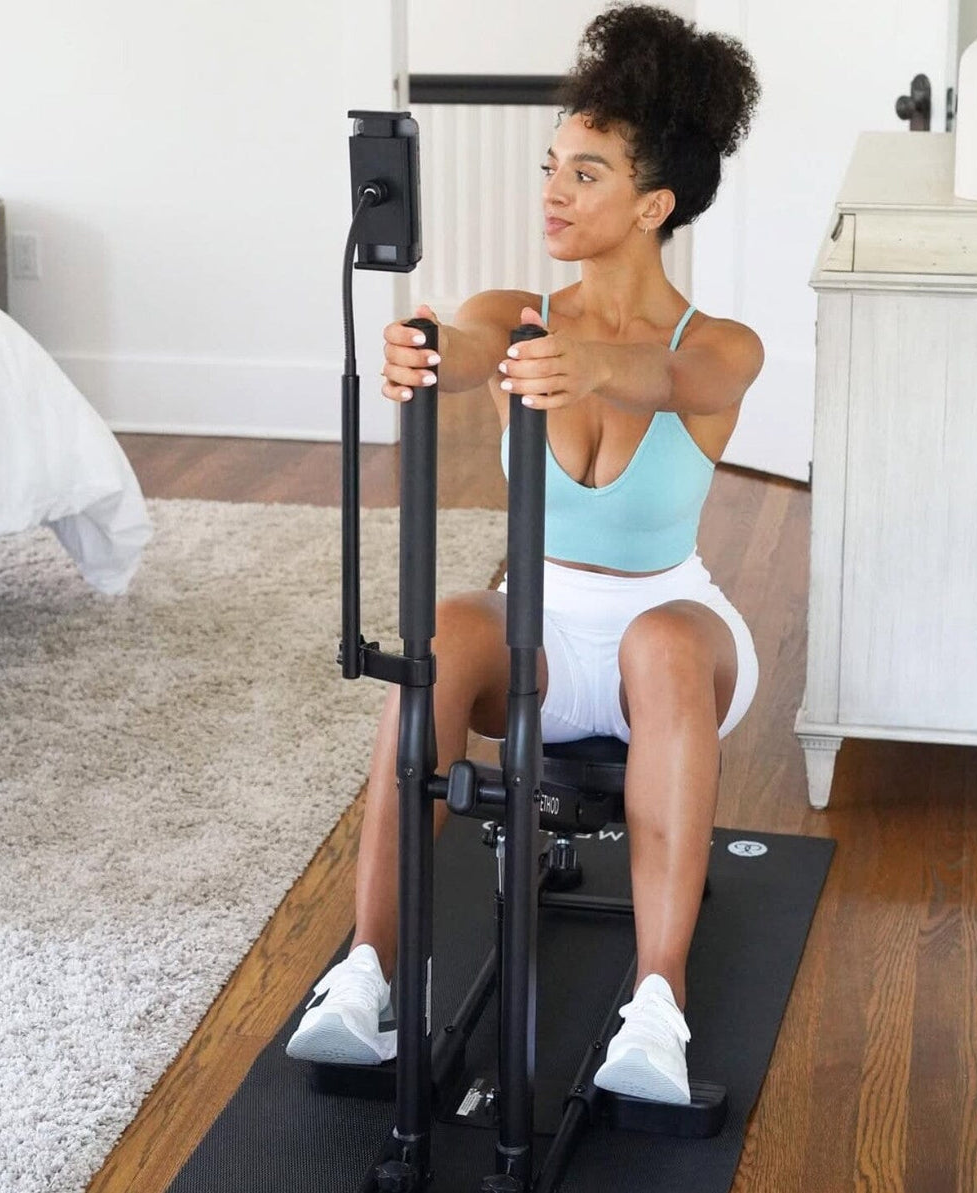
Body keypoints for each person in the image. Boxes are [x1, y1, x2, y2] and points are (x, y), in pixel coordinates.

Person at [288, 1, 763, 1106]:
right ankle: (366, 973)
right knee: (450, 624)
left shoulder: (721, 349)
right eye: (552, 163)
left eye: (585, 174)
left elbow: (660, 378)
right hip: (534, 632)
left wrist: (591, 368)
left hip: (673, 627)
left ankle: (658, 1002)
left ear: (653, 204)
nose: (550, 189)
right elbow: (463, 346)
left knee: (658, 643)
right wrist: (421, 348)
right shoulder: (514, 316)